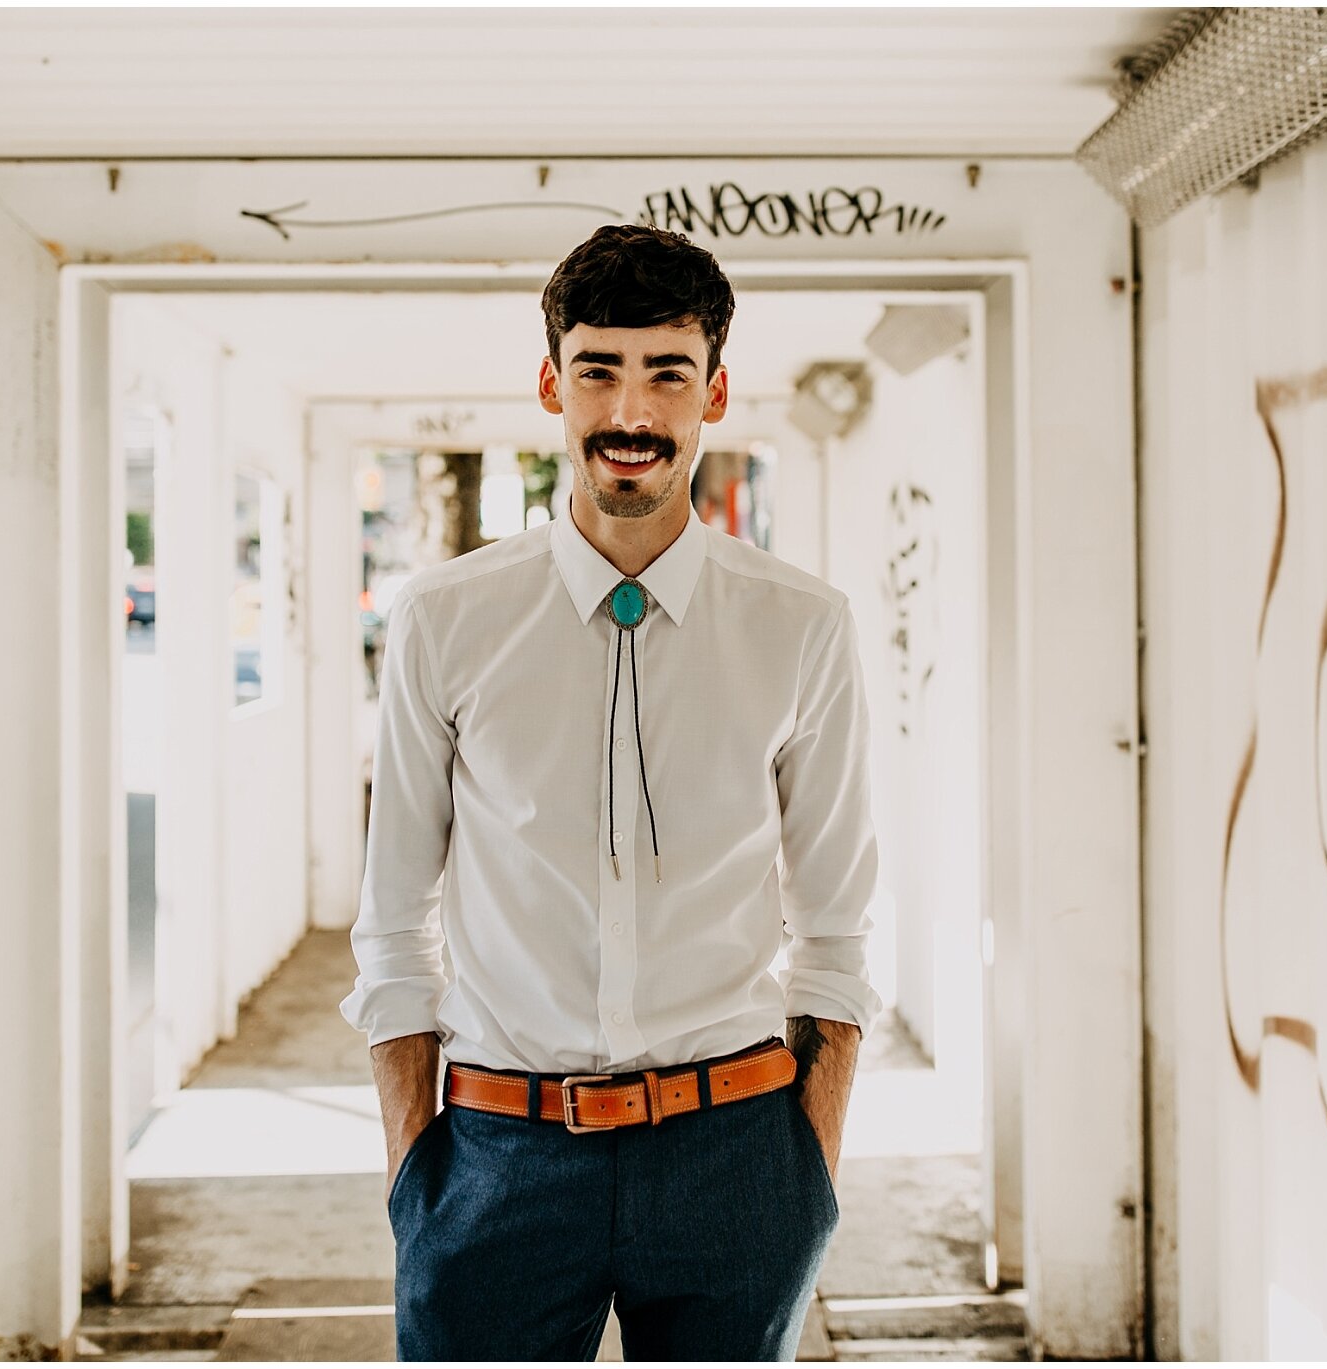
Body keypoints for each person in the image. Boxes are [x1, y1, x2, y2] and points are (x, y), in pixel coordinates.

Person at [341, 223, 881, 1361]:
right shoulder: (447, 619)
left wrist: (806, 1165)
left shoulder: (799, 626)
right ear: (551, 383)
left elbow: (833, 925)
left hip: (735, 1156)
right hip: (497, 1157)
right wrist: (413, 1173)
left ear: (713, 393)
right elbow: (393, 922)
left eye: (666, 373)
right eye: (598, 369)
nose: (630, 413)